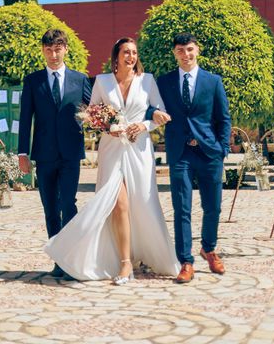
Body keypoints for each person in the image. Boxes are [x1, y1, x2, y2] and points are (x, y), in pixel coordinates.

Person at [45, 37, 180, 284]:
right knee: (118, 203)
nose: (131, 56)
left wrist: (144, 124)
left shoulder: (147, 80)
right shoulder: (102, 82)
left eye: (134, 52)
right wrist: (109, 128)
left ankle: (142, 254)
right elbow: (91, 114)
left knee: (142, 204)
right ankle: (125, 262)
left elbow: (160, 112)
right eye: (126, 52)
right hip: (111, 149)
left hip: (139, 150)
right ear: (116, 56)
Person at [154, 32, 231, 283]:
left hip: (209, 153)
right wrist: (154, 113)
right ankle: (186, 261)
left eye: (189, 49)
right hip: (180, 153)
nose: (185, 55)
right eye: (180, 50)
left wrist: (222, 150)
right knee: (182, 209)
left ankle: (208, 248)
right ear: (174, 53)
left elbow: (223, 118)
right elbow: (150, 106)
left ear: (197, 50)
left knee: (213, 208)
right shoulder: (163, 82)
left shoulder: (213, 81)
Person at [18, 29, 92, 279]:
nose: (53, 54)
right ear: (43, 51)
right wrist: (22, 153)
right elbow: (25, 118)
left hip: (71, 154)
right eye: (48, 49)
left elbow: (92, 112)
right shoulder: (33, 81)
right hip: (44, 154)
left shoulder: (80, 80)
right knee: (50, 207)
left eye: (58, 49)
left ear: (66, 49)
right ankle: (58, 259)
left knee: (67, 203)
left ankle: (70, 256)